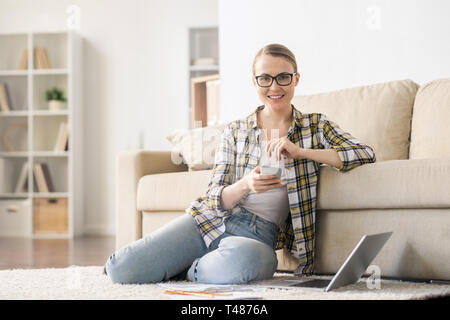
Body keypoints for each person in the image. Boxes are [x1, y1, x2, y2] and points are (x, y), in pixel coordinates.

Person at [104, 43, 376, 285]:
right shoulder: (236, 131)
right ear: (255, 82)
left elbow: (364, 153)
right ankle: (204, 263)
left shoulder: (315, 126)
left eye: (283, 77)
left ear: (296, 79)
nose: (274, 87)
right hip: (210, 222)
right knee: (121, 270)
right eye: (265, 78)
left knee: (252, 262)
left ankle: (193, 270)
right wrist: (247, 184)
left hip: (257, 237)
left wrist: (302, 152)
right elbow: (214, 196)